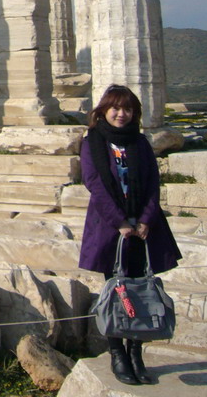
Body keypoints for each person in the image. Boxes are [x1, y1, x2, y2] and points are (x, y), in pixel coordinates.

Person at [79, 84, 182, 386]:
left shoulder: (140, 142)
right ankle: (117, 354)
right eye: (116, 108)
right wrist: (120, 222)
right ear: (104, 110)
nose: (121, 114)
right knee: (115, 290)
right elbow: (94, 184)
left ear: (135, 113)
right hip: (110, 227)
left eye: (127, 109)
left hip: (144, 227)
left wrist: (146, 219)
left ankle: (136, 352)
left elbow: (152, 183)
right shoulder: (92, 142)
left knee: (143, 289)